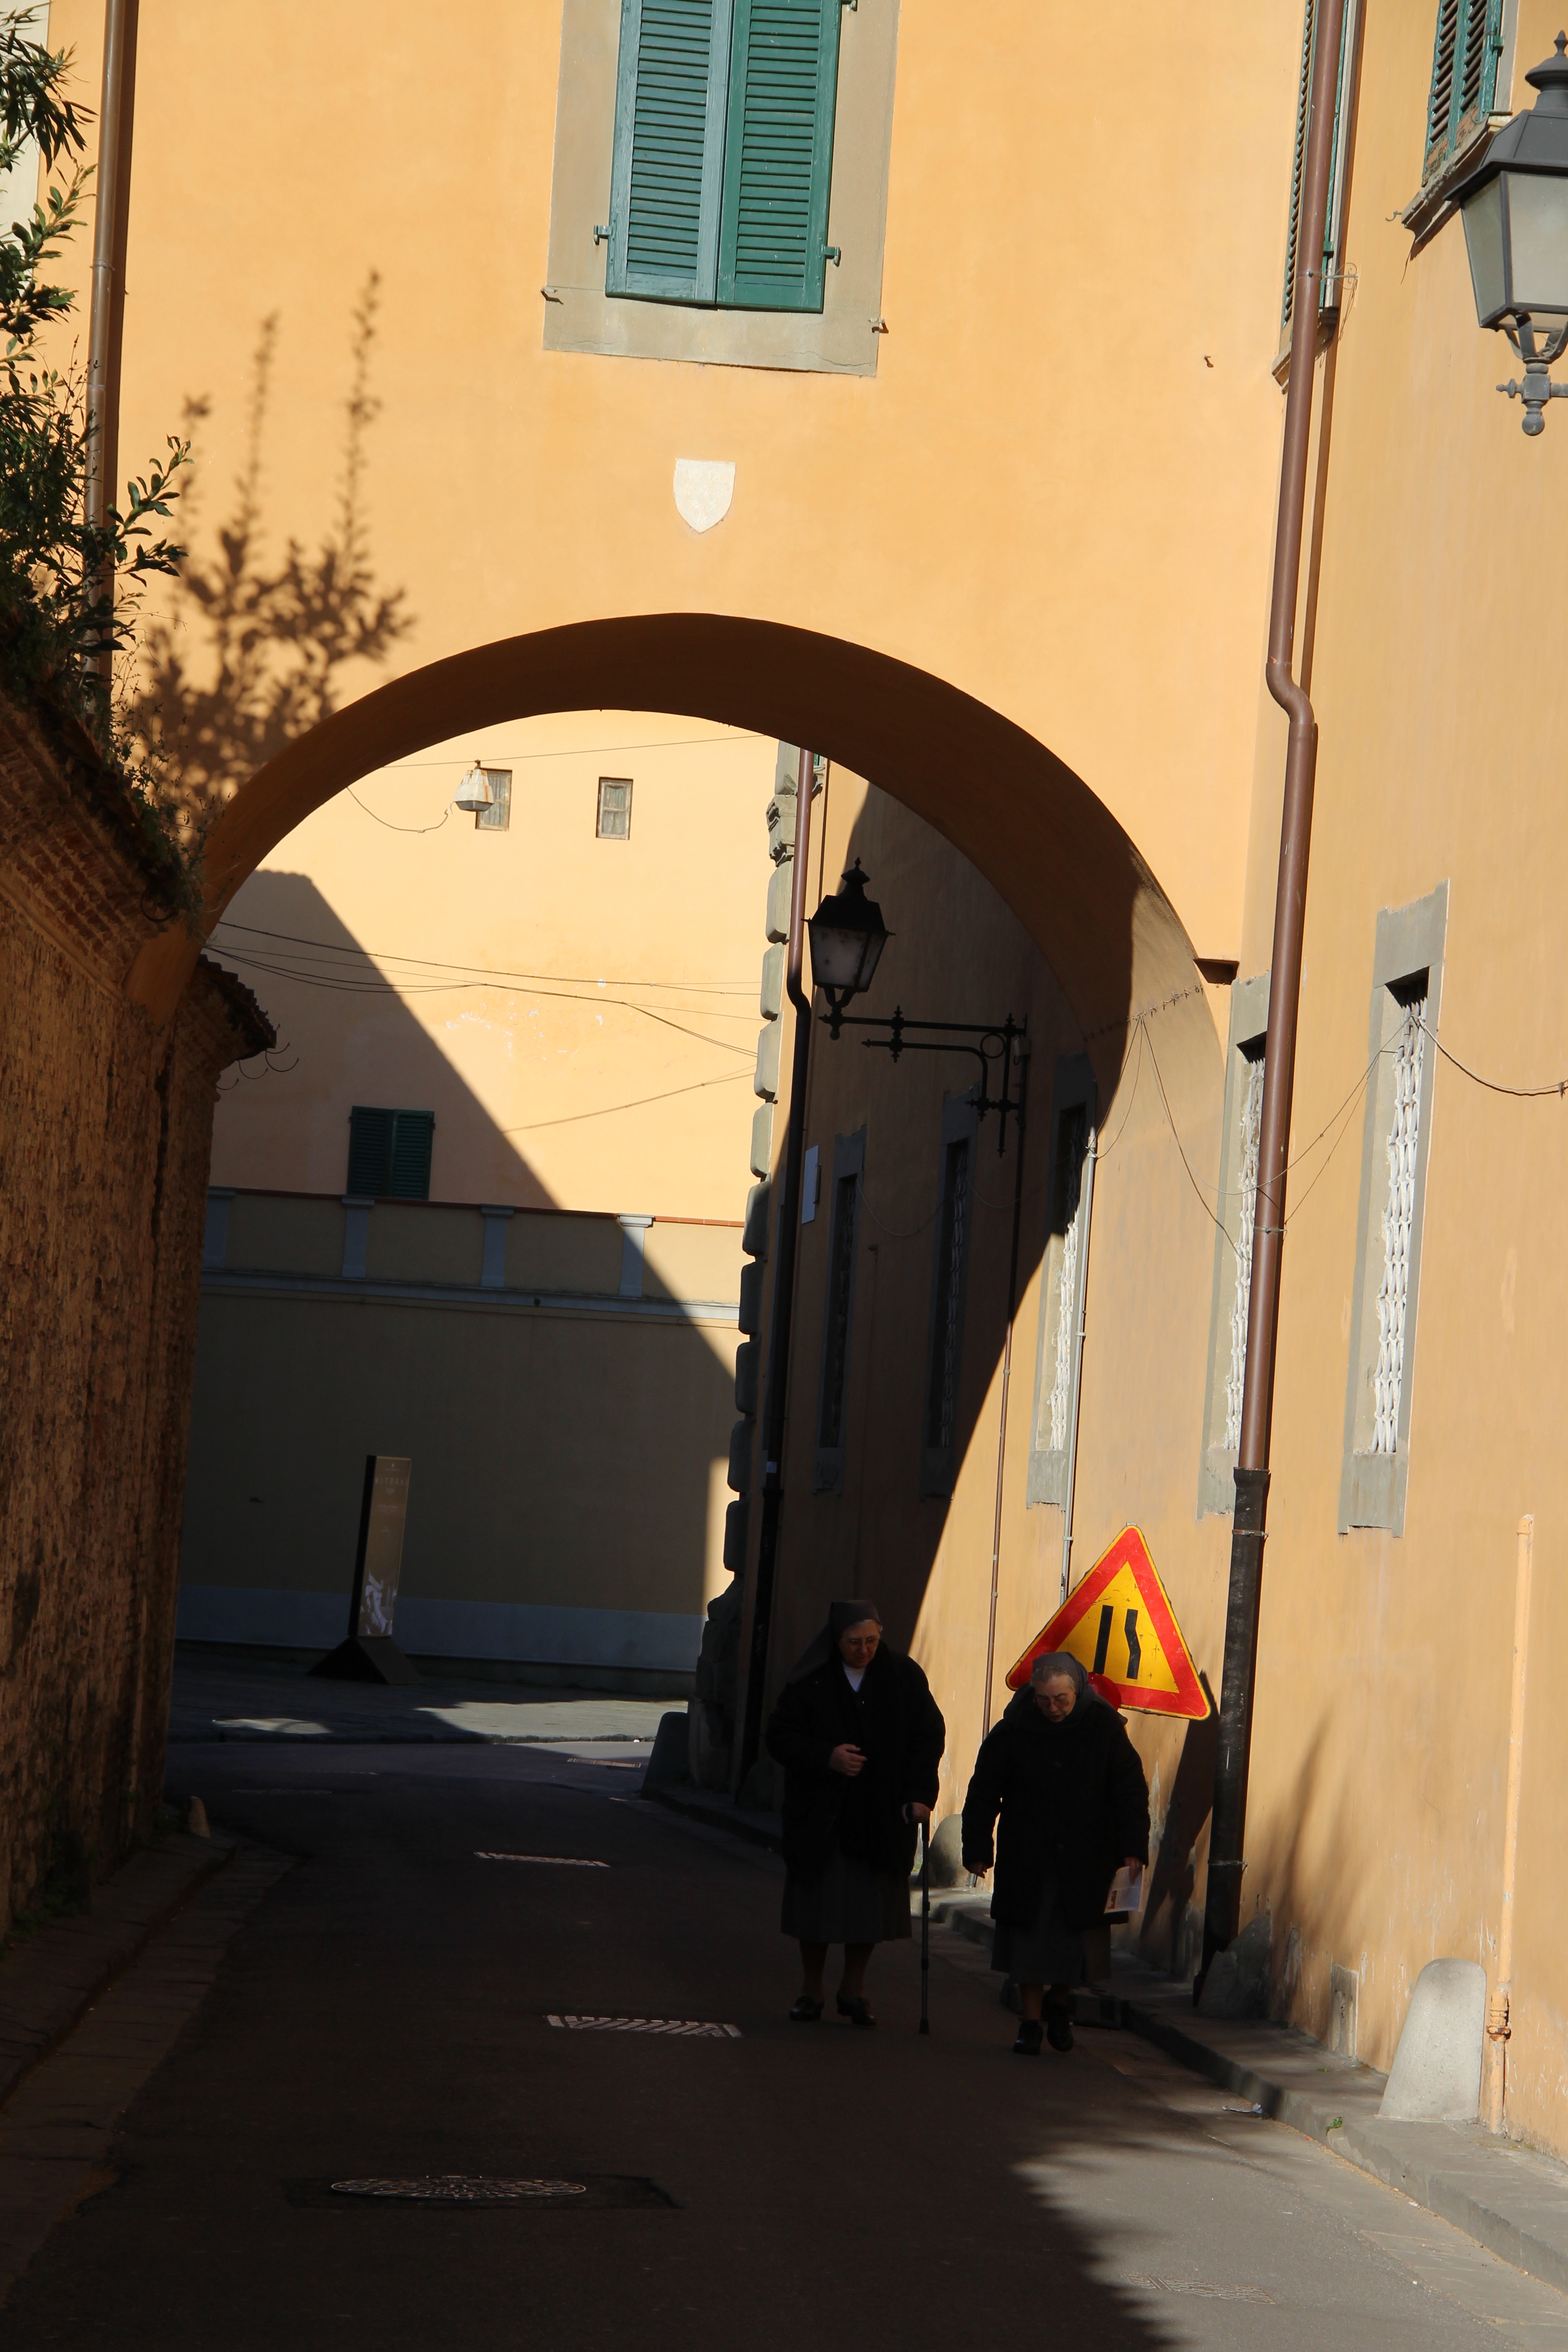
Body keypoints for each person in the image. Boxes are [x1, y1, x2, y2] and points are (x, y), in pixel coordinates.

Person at [766, 1599, 945, 2027]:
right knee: (816, 1907)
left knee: (870, 1908)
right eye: (854, 1642)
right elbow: (780, 1736)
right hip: (822, 1814)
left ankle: (855, 1988)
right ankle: (811, 1989)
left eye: (871, 1641)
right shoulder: (810, 1679)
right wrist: (826, 1756)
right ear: (837, 1640)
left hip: (881, 1812)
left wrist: (921, 1795)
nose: (864, 1650)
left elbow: (928, 1736)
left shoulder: (904, 1677)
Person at [961, 1651, 1148, 2056]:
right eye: (1045, 1699)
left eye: (1061, 1699)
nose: (1053, 1708)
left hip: (1088, 1855)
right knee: (1028, 1941)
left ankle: (1059, 2004)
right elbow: (984, 1787)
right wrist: (977, 1846)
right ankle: (1030, 2024)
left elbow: (1129, 1790)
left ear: (1078, 1690)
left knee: (1075, 1941)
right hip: (1028, 1853)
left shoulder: (1105, 1728)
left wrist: (1133, 1846)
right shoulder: (1015, 1727)